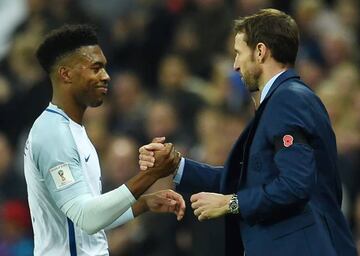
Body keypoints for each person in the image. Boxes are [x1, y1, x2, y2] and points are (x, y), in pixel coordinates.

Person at [139, 9, 357, 256]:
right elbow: (248, 180)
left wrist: (231, 203)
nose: (234, 65)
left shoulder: (288, 100)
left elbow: (296, 184)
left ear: (261, 52)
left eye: (238, 53)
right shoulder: (283, 100)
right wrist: (176, 166)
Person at [23, 24, 185, 256]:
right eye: (96, 68)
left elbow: (90, 217)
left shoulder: (73, 130)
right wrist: (151, 175)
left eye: (105, 68)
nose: (106, 76)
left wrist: (143, 204)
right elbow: (86, 218)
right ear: (66, 74)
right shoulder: (53, 134)